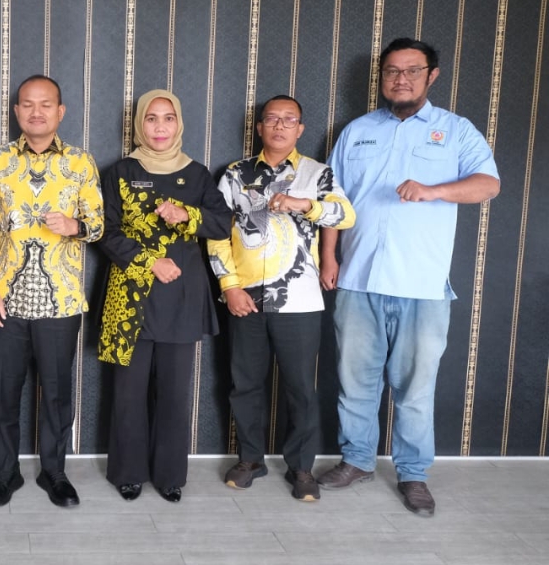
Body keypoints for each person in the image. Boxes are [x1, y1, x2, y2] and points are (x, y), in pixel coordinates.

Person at [317, 38, 500, 517]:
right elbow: (332, 201)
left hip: (422, 285)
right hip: (358, 280)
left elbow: (488, 184)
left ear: (431, 76)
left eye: (412, 70)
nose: (401, 79)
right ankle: (356, 460)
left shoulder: (456, 130)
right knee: (354, 382)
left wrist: (434, 190)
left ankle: (413, 474)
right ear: (381, 77)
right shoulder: (356, 131)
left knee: (415, 389)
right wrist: (329, 257)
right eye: (392, 71)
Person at [208, 95, 355, 502]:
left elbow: (346, 215)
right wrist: (229, 286)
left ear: (300, 129)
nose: (279, 126)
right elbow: (216, 233)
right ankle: (249, 459)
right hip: (245, 297)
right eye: (271, 119)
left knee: (300, 389)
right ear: (259, 127)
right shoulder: (235, 175)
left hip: (300, 299)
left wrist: (304, 205)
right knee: (244, 384)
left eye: (289, 120)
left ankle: (301, 467)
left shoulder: (317, 174)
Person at [0, 75, 104, 508]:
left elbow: (99, 225)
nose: (36, 112)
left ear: (60, 111)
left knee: (57, 391)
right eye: (27, 104)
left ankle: (54, 472)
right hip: (5, 298)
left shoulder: (81, 162)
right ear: (17, 112)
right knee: (4, 389)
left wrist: (75, 225)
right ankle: (5, 473)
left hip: (61, 300)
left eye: (45, 104)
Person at [97, 89, 230, 504]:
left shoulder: (197, 174)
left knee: (174, 393)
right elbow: (106, 232)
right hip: (130, 296)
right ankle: (129, 473)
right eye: (151, 118)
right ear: (139, 124)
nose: (159, 127)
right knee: (128, 393)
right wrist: (149, 261)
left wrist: (187, 215)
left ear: (179, 124)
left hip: (181, 297)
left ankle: (170, 475)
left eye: (168, 118)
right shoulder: (121, 171)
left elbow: (223, 223)